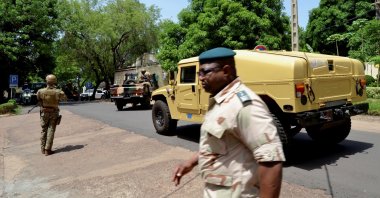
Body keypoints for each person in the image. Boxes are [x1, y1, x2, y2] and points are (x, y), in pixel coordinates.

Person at [172, 47, 285, 198]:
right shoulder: (220, 101)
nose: (200, 78)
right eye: (199, 73)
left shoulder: (245, 105)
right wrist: (191, 162)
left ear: (226, 71)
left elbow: (271, 160)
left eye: (205, 72)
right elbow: (218, 144)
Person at [36, 74, 66, 156]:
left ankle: (42, 149)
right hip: (54, 113)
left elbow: (39, 100)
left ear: (46, 81)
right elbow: (64, 98)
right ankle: (47, 150)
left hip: (44, 113)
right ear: (55, 81)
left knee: (43, 130)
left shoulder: (40, 91)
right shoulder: (59, 91)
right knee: (51, 130)